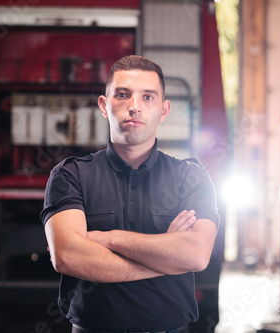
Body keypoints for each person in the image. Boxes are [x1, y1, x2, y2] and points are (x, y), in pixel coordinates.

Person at [40, 55, 219, 333]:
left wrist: (108, 239)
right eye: (122, 95)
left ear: (163, 109)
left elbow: (195, 255)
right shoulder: (70, 175)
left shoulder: (190, 176)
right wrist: (165, 259)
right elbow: (67, 257)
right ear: (103, 105)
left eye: (148, 97)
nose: (134, 106)